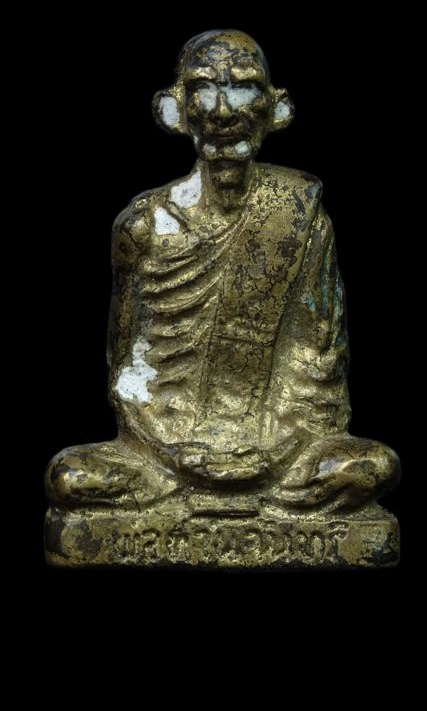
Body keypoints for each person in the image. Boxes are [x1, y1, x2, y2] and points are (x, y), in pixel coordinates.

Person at [46, 30, 399, 515]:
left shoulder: (298, 215)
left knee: (372, 467)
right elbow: (129, 375)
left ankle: (255, 496)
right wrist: (173, 454)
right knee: (68, 477)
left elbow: (318, 370)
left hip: (280, 455)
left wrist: (274, 456)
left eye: (244, 87)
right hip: (165, 457)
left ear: (277, 108)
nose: (223, 110)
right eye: (203, 88)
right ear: (174, 109)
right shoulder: (144, 226)